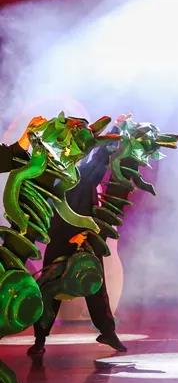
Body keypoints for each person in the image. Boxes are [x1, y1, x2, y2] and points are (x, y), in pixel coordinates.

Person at [27, 144, 126, 356]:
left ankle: (107, 332)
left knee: (95, 286)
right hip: (60, 236)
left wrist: (114, 133)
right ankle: (40, 338)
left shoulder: (85, 173)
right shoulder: (55, 172)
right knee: (49, 286)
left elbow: (99, 159)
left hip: (85, 235)